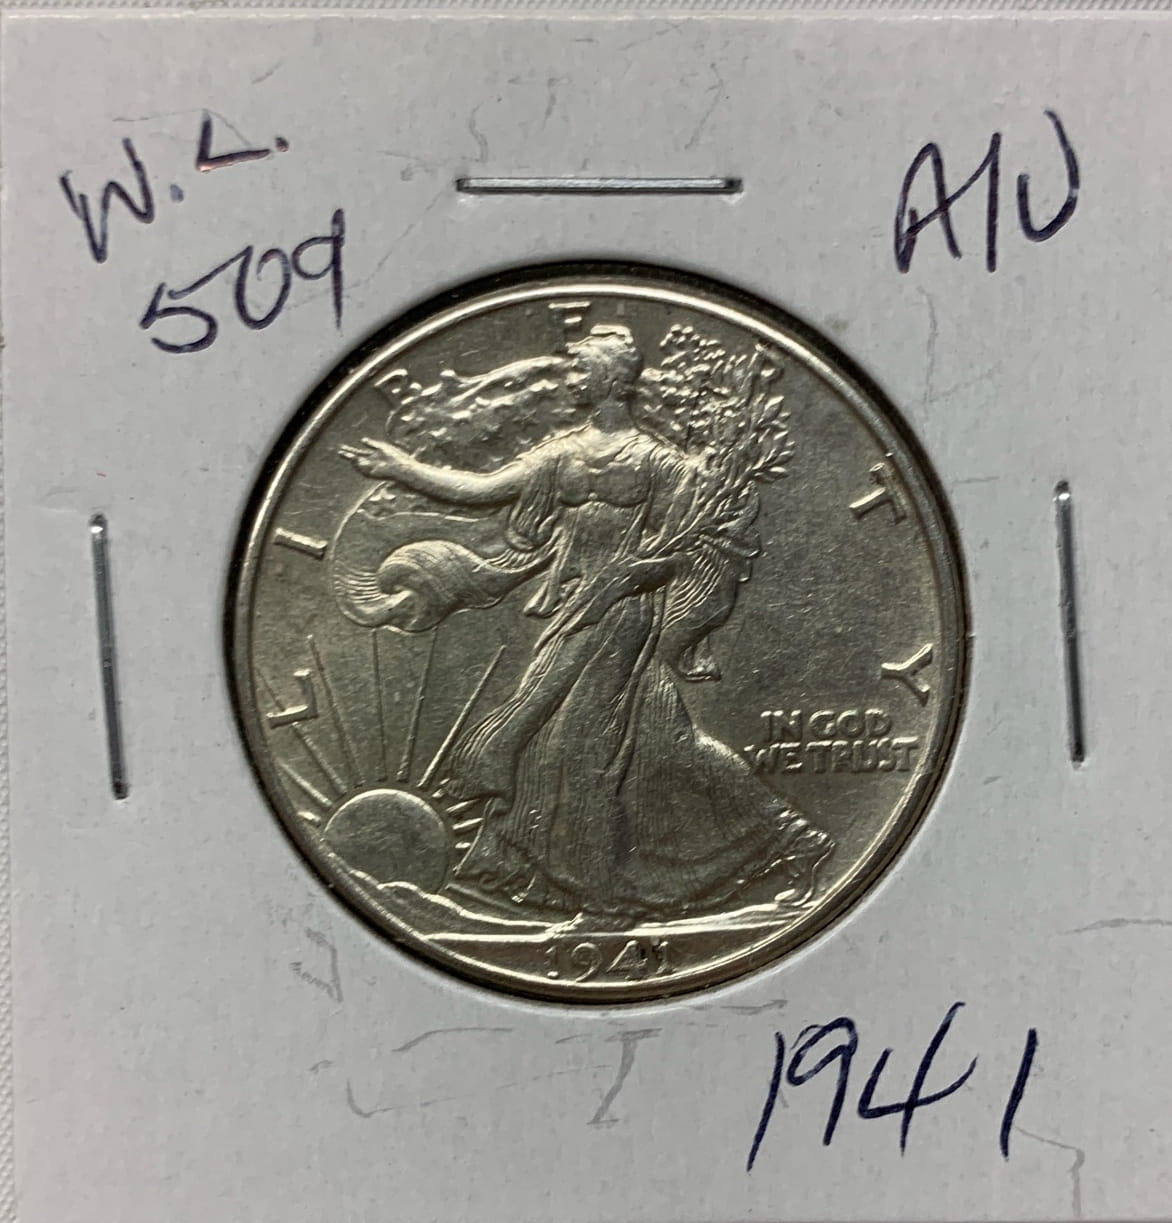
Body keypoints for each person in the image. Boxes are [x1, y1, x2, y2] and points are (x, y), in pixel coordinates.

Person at [339, 324, 833, 924]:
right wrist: (403, 470)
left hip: (625, 617)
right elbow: (481, 490)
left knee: (576, 746)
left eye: (580, 368)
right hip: (574, 611)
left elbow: (685, 551)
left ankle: (603, 899)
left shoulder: (661, 463)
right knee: (651, 748)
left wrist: (626, 579)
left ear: (609, 378)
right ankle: (792, 840)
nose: (570, 376)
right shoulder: (559, 455)